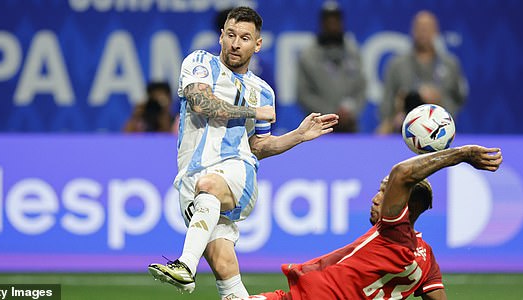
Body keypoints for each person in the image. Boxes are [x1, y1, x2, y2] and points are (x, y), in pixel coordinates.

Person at [147, 6, 339, 300]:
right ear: (221, 36)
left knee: (209, 184)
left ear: (257, 44)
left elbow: (257, 148)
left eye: (245, 38)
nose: (236, 43)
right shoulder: (199, 63)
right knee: (227, 275)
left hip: (236, 172)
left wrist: (297, 137)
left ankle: (185, 265)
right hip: (191, 182)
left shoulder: (262, 91)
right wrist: (257, 113)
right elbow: (201, 103)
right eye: (231, 35)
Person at [243, 145, 502, 299]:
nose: (376, 198)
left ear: (404, 206)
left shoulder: (394, 232)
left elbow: (402, 173)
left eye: (384, 191)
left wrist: (462, 154)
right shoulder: (426, 259)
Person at [377, 10, 468, 134]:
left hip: (440, 131)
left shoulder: (450, 64)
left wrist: (439, 99)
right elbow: (386, 100)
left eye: (427, 28)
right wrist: (392, 118)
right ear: (412, 31)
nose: (423, 32)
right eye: (419, 28)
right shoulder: (397, 64)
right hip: (403, 130)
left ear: (436, 31)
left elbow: (460, 98)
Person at [297, 1, 366, 133]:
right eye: (328, 20)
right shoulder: (309, 56)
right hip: (319, 127)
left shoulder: (353, 53)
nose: (332, 25)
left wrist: (350, 110)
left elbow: (361, 88)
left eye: (336, 20)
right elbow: (303, 93)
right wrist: (330, 113)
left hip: (350, 125)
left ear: (342, 22)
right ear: (322, 23)